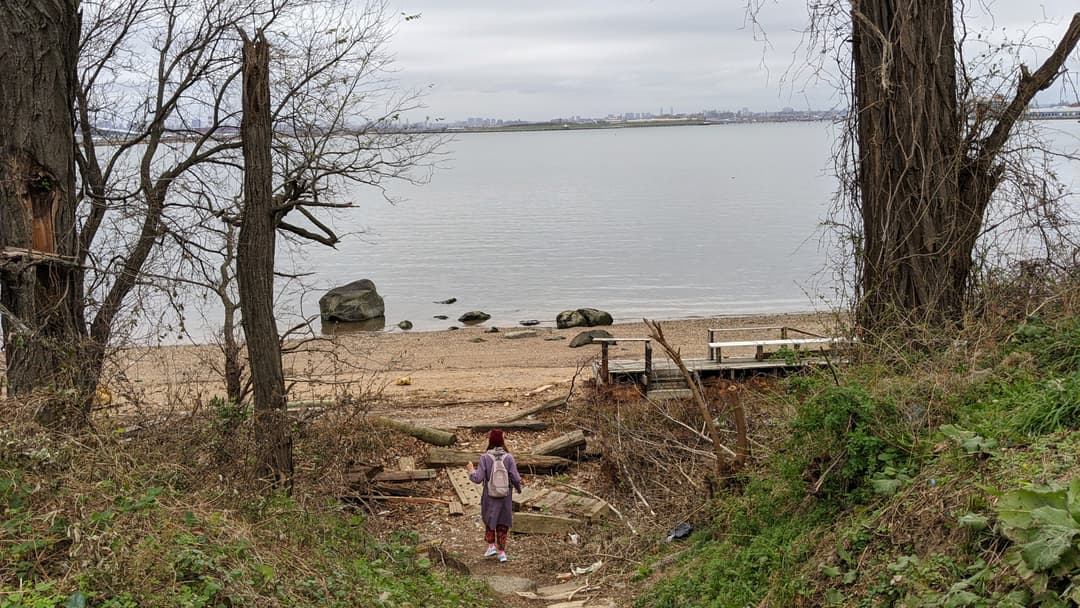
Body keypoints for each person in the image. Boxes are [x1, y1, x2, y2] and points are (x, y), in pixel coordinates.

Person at [466, 428, 522, 562]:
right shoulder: (508, 457)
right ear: (502, 441)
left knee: (489, 520)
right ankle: (502, 552)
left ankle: (491, 546)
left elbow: (478, 479)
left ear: (490, 441)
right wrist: (518, 488)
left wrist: (471, 470)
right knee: (503, 523)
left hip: (489, 496)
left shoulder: (485, 457)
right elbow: (515, 477)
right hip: (505, 496)